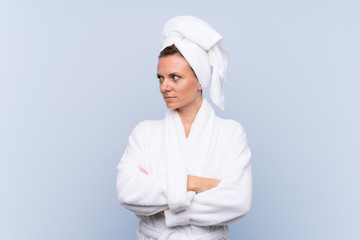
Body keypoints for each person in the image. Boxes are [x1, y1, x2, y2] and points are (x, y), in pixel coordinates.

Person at [116, 16, 252, 240]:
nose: (164, 87)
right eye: (160, 78)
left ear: (199, 81)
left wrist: (164, 206)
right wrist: (193, 183)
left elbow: (237, 202)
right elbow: (128, 192)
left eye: (175, 77)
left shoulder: (230, 133)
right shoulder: (145, 133)